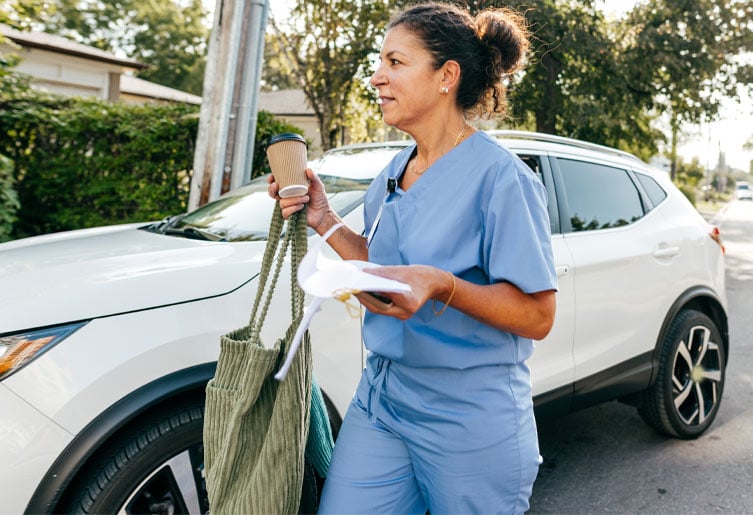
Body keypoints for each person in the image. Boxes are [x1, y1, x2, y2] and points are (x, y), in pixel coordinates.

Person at [268, 3, 557, 513]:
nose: (377, 77)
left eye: (395, 63)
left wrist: (442, 284)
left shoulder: (502, 179)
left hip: (468, 415)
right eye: (380, 63)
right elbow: (378, 264)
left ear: (447, 76)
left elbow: (537, 315)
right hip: (383, 399)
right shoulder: (393, 174)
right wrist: (322, 216)